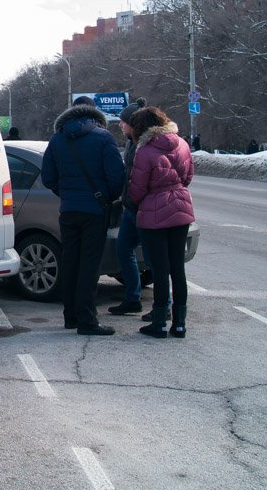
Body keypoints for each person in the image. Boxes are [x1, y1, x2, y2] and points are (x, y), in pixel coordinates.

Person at [41, 95, 126, 336]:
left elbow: (48, 177)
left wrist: (66, 193)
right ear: (93, 112)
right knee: (89, 265)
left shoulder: (57, 139)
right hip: (94, 211)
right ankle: (87, 321)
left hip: (68, 210)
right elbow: (117, 176)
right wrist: (104, 197)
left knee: (70, 261)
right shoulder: (102, 137)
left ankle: (70, 317)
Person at [126, 106, 195, 339]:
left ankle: (159, 323)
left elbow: (137, 189)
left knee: (160, 268)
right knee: (178, 268)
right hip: (182, 208)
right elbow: (188, 177)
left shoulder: (144, 151)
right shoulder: (183, 143)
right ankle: (180, 324)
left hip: (154, 214)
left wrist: (136, 204)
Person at [106, 98, 146, 316]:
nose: (120, 125)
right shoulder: (131, 142)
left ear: (134, 123)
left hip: (145, 210)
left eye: (123, 122)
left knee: (153, 259)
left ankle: (164, 305)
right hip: (130, 208)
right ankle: (133, 298)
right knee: (124, 250)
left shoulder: (146, 144)